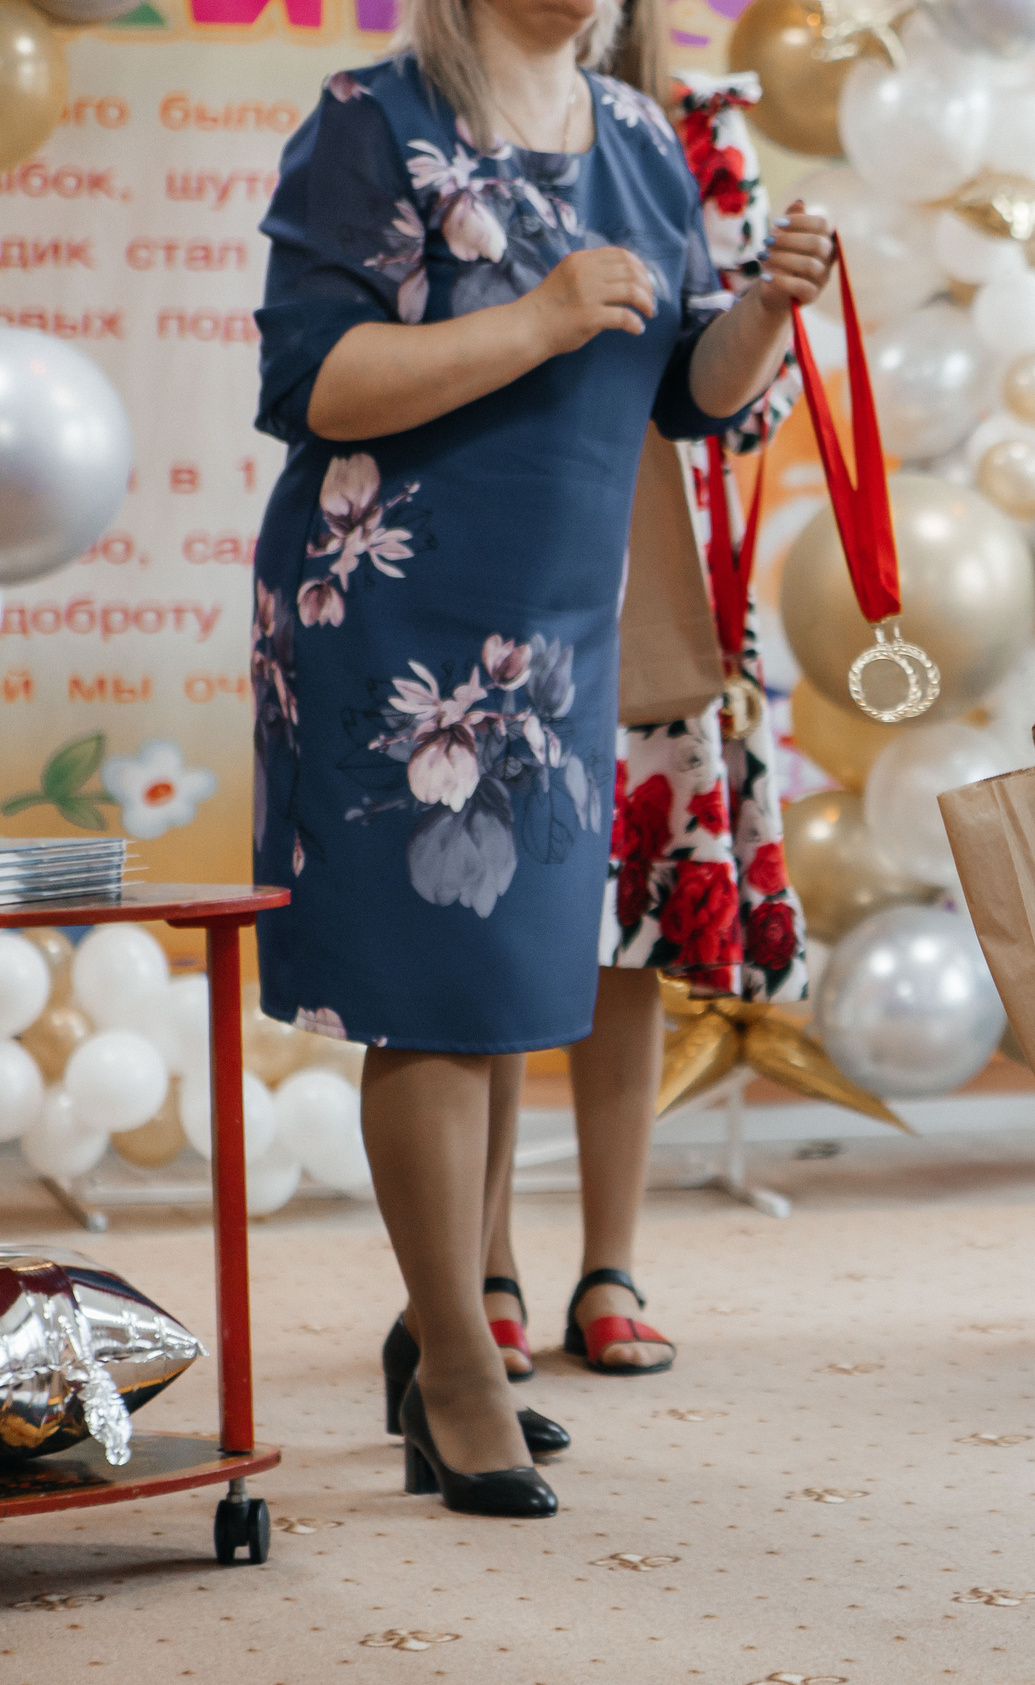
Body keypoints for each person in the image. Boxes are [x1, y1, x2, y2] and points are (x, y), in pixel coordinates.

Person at [248, 0, 831, 1517]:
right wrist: (540, 315)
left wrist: (765, 309)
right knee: (433, 1000)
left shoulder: (640, 135)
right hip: (394, 613)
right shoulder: (372, 119)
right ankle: (455, 1364)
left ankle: (437, 1327)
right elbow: (315, 379)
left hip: (557, 630)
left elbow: (690, 389)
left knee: (509, 989)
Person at [475, 55, 816, 1383]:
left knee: (625, 922)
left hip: (645, 558)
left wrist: (775, 300)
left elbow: (745, 399)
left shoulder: (692, 121)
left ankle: (609, 1261)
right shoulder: (444, 110)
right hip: (483, 545)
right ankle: (481, 1261)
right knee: (489, 921)